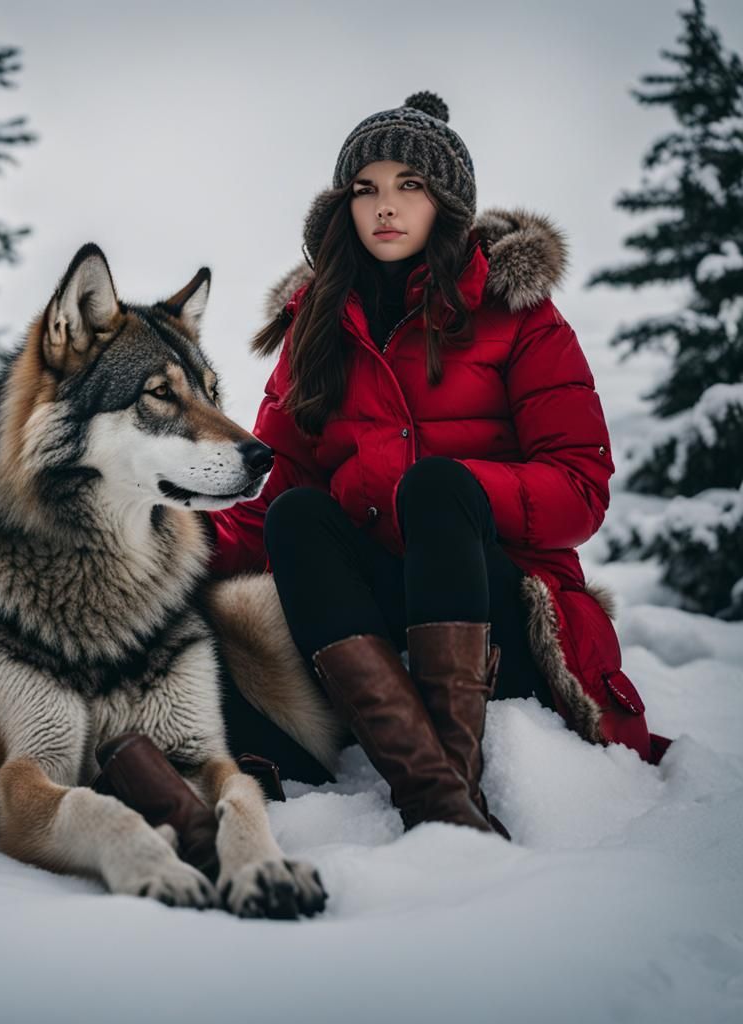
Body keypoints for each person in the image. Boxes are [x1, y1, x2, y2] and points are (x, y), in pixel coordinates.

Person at [204, 90, 670, 839]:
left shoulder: (518, 315)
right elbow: (274, 497)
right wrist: (160, 549)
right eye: (366, 190)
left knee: (437, 485)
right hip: (374, 632)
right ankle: (438, 797)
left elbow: (582, 489)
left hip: (497, 620)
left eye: (408, 186)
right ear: (344, 208)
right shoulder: (317, 329)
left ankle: (450, 777)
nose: (385, 207)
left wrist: (450, 496)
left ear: (445, 202)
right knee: (299, 514)